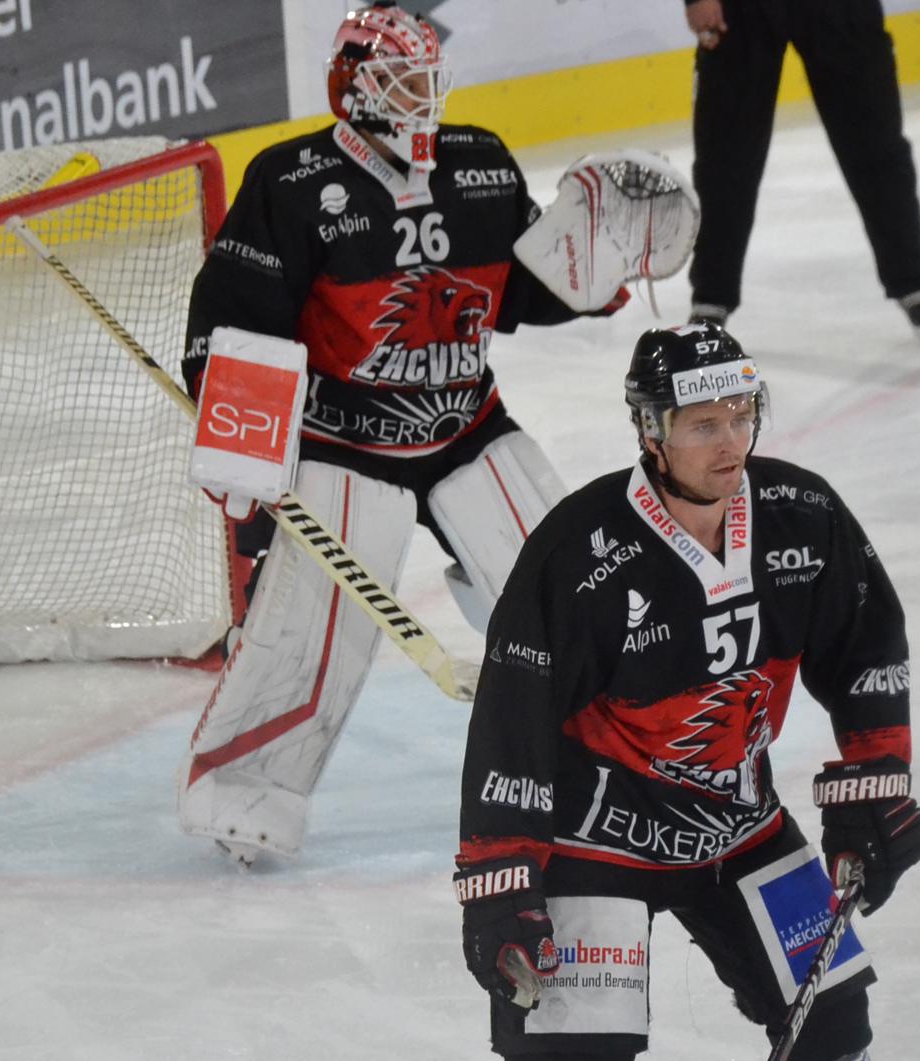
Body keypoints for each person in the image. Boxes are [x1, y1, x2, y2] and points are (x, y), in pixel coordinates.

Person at [176, 2, 635, 867]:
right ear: (351, 87)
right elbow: (238, 320)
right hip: (342, 444)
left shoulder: (479, 164)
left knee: (567, 587)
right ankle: (244, 790)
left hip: (467, 427)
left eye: (428, 79)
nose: (422, 97)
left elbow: (520, 291)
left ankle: (610, 759)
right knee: (314, 624)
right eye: (400, 81)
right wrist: (242, 449)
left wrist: (595, 273)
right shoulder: (292, 181)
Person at [453, 323, 920, 1061]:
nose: (731, 442)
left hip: (739, 825)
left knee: (835, 1029)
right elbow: (515, 716)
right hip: (594, 842)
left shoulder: (803, 514)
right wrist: (500, 874)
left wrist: (875, 777)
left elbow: (866, 644)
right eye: (705, 425)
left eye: (742, 416)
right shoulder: (580, 550)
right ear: (652, 431)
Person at [682, 0, 920, 343]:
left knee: (876, 146)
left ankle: (913, 281)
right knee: (724, 159)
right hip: (741, 11)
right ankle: (711, 296)